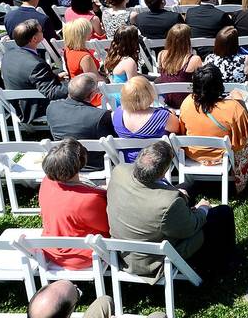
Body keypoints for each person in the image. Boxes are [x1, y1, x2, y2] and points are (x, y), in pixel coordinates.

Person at [106, 141, 236, 279]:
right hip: (152, 260)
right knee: (223, 213)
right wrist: (202, 209)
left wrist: (179, 195)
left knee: (189, 185)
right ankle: (226, 263)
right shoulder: (169, 203)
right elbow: (191, 227)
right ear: (163, 172)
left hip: (125, 251)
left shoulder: (119, 171)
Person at [179, 64, 248, 191]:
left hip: (194, 154)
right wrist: (239, 102)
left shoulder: (187, 103)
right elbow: (245, 134)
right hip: (220, 156)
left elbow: (182, 130)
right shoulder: (232, 108)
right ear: (219, 84)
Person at [38, 138, 110, 269]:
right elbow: (109, 227)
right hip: (80, 255)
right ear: (81, 162)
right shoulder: (88, 199)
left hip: (50, 248)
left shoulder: (46, 181)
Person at [2, 20, 69, 121]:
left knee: (59, 72)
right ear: (34, 39)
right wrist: (74, 84)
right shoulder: (36, 64)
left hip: (17, 102)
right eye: (41, 31)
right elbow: (53, 92)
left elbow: (29, 77)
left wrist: (56, 76)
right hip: (33, 108)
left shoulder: (9, 54)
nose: (43, 32)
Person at [46, 74, 115, 161]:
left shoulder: (52, 107)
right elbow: (113, 140)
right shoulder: (99, 116)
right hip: (96, 164)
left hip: (64, 160)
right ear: (93, 94)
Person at [112, 76, 180, 163]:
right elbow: (177, 129)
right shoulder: (161, 116)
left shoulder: (117, 114)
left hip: (128, 162)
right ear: (149, 93)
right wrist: (171, 114)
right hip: (157, 163)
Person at [156, 23, 203, 109]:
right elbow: (201, 83)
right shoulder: (194, 60)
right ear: (187, 40)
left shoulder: (161, 55)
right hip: (188, 104)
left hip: (167, 103)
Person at [61, 19, 105, 92]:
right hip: (87, 93)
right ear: (82, 36)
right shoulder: (85, 57)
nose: (91, 34)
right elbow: (95, 79)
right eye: (89, 33)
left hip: (75, 88)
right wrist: (108, 79)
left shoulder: (68, 49)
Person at [102, 25, 140, 95]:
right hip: (124, 98)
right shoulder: (129, 62)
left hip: (112, 96)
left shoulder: (110, 57)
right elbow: (134, 88)